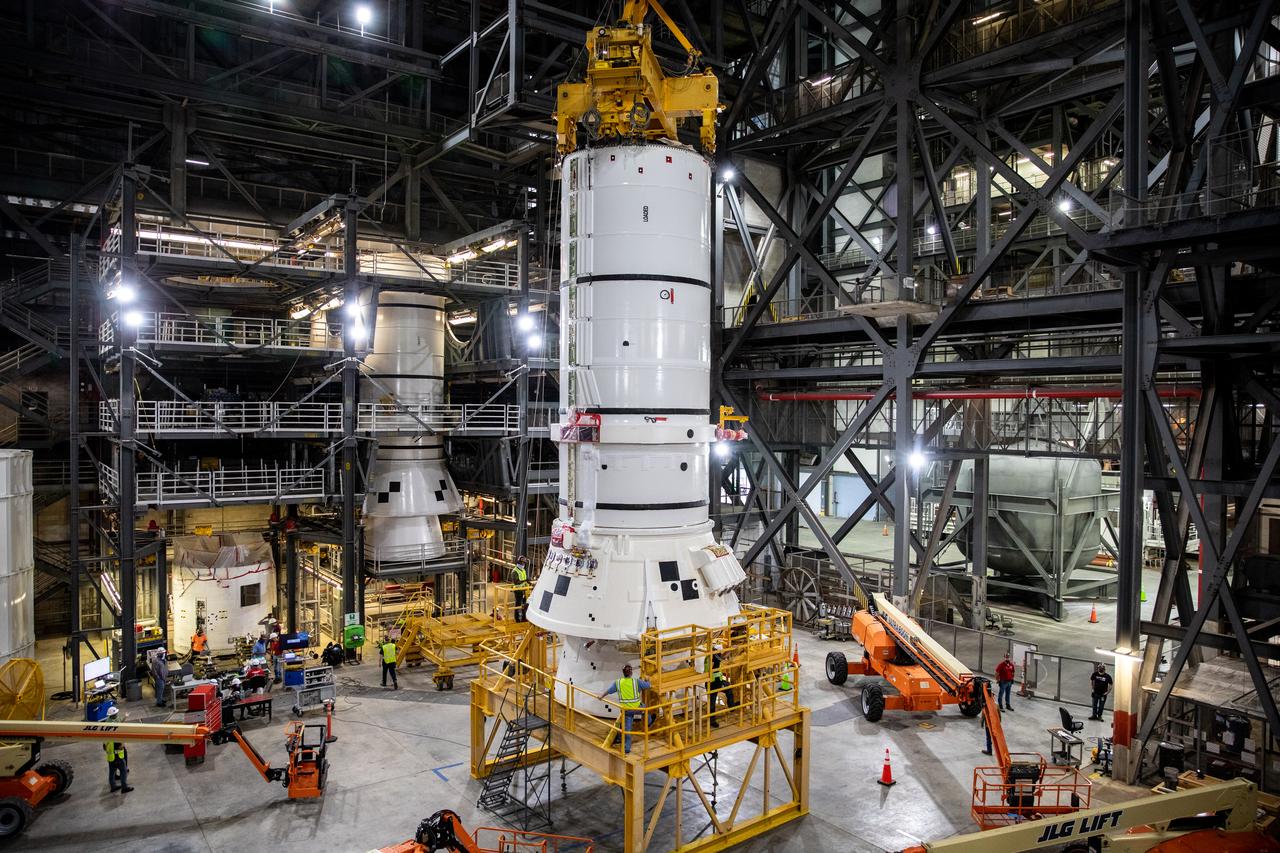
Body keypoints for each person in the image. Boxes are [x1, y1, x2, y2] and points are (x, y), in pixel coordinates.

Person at [603, 664, 652, 754]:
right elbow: (648, 686)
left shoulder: (618, 682)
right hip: (637, 708)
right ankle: (648, 722)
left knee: (627, 730)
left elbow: (609, 691)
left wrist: (601, 696)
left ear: (623, 673)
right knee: (645, 708)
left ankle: (627, 748)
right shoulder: (636, 681)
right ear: (631, 673)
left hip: (626, 710)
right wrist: (647, 679)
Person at [103, 707, 133, 793]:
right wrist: (122, 743)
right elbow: (119, 731)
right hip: (117, 755)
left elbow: (105, 743)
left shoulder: (107, 723)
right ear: (112, 715)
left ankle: (113, 786)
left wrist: (125, 717)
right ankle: (124, 787)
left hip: (111, 755)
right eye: (115, 714)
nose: (116, 714)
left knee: (112, 771)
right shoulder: (113, 726)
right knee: (123, 771)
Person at [707, 652, 736, 728]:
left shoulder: (711, 655)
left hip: (717, 681)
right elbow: (722, 657)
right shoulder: (713, 655)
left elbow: (722, 657)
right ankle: (712, 720)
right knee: (712, 703)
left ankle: (732, 706)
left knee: (728, 687)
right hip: (712, 683)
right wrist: (731, 650)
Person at [510, 557, 530, 622]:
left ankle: (524, 618)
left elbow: (525, 580)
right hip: (518, 590)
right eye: (522, 563)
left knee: (525, 604)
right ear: (518, 562)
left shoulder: (523, 570)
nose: (523, 564)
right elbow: (516, 582)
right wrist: (525, 580)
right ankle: (517, 619)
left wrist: (529, 583)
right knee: (518, 605)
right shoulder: (514, 571)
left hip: (524, 590)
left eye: (524, 563)